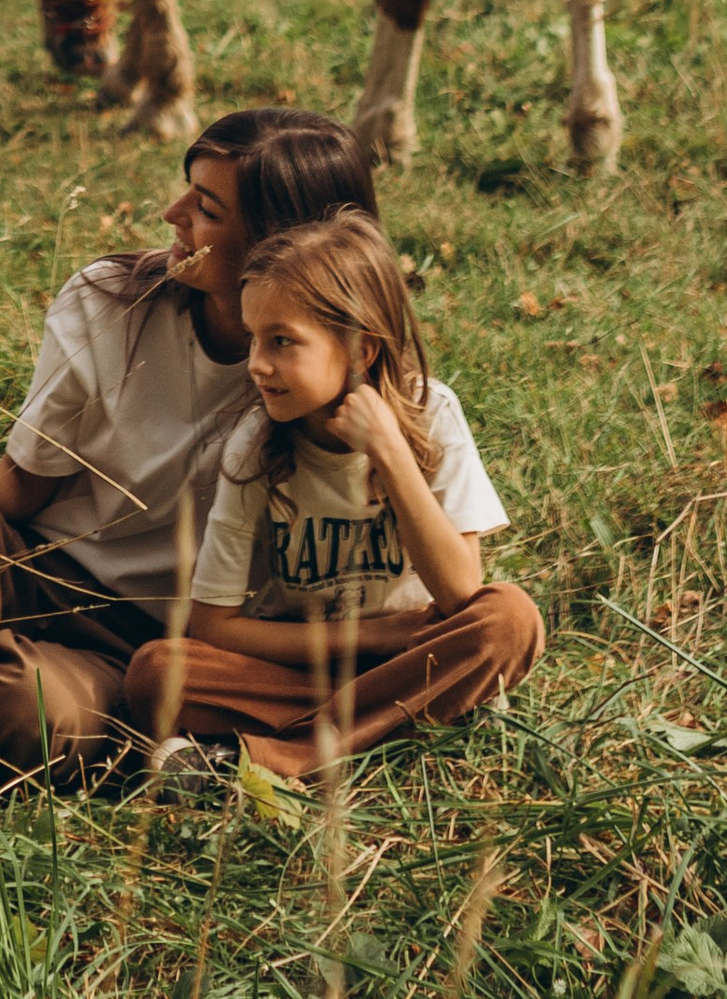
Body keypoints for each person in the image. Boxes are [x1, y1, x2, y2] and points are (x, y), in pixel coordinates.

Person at [0, 107, 376, 825]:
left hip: (150, 648)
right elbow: (27, 484)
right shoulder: (112, 300)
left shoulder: (330, 377)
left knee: (26, 711)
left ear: (284, 244)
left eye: (207, 209)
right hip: (39, 575)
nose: (172, 214)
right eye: (187, 191)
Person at [128, 207, 542, 781]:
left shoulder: (432, 413)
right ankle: (413, 720)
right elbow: (213, 627)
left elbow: (461, 591)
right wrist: (375, 635)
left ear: (359, 350)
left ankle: (268, 762)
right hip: (314, 667)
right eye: (252, 339)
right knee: (156, 672)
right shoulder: (255, 446)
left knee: (512, 619)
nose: (256, 365)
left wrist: (391, 455)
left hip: (420, 656)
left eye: (281, 342)